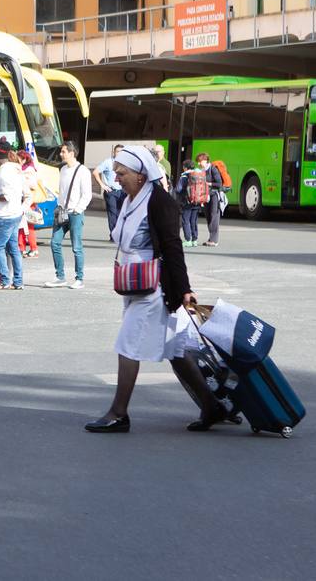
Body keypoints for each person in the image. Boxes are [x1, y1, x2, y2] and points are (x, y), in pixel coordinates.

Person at [85, 145, 228, 434]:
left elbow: (173, 248)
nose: (117, 177)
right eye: (116, 172)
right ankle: (212, 406)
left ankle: (118, 413)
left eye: (122, 173)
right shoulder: (129, 200)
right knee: (176, 349)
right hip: (135, 283)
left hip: (155, 289)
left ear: (140, 175)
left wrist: (185, 288)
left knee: (127, 344)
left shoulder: (160, 202)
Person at [47, 142, 90, 290]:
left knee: (76, 246)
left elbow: (87, 194)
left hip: (75, 213)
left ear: (72, 153)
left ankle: (79, 278)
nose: (61, 154)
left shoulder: (83, 171)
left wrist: (78, 209)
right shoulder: (63, 169)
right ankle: (60, 276)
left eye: (64, 151)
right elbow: (62, 191)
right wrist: (59, 205)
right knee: (54, 243)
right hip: (62, 212)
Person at [0, 144, 27, 290]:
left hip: (4, 216)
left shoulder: (4, 172)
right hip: (15, 214)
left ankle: (5, 280)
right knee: (13, 248)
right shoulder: (16, 169)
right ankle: (18, 281)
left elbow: (6, 196)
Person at [17, 148, 43, 258]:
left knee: (28, 226)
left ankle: (33, 249)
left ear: (24, 159)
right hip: (24, 200)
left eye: (18, 159)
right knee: (22, 226)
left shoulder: (29, 170)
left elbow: (33, 185)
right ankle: (21, 248)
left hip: (28, 202)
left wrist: (22, 180)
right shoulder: (23, 169)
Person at [196, 153, 226, 247]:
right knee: (208, 216)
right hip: (206, 196)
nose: (199, 164)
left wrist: (208, 184)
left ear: (205, 160)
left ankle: (214, 240)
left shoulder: (213, 169)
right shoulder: (202, 170)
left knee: (214, 216)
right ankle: (211, 238)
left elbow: (219, 184)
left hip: (214, 196)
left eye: (200, 161)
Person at [95, 144, 125, 232]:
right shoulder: (108, 162)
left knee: (121, 214)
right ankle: (113, 235)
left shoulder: (126, 163)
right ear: (114, 152)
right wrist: (102, 185)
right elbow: (95, 172)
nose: (119, 154)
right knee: (113, 213)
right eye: (118, 151)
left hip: (123, 192)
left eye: (122, 152)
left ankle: (119, 233)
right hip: (111, 191)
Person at [175, 161, 205, 244]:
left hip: (187, 202)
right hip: (197, 201)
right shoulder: (199, 175)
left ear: (185, 167)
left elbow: (178, 189)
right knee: (193, 220)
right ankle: (194, 239)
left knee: (186, 220)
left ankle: (188, 239)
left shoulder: (184, 176)